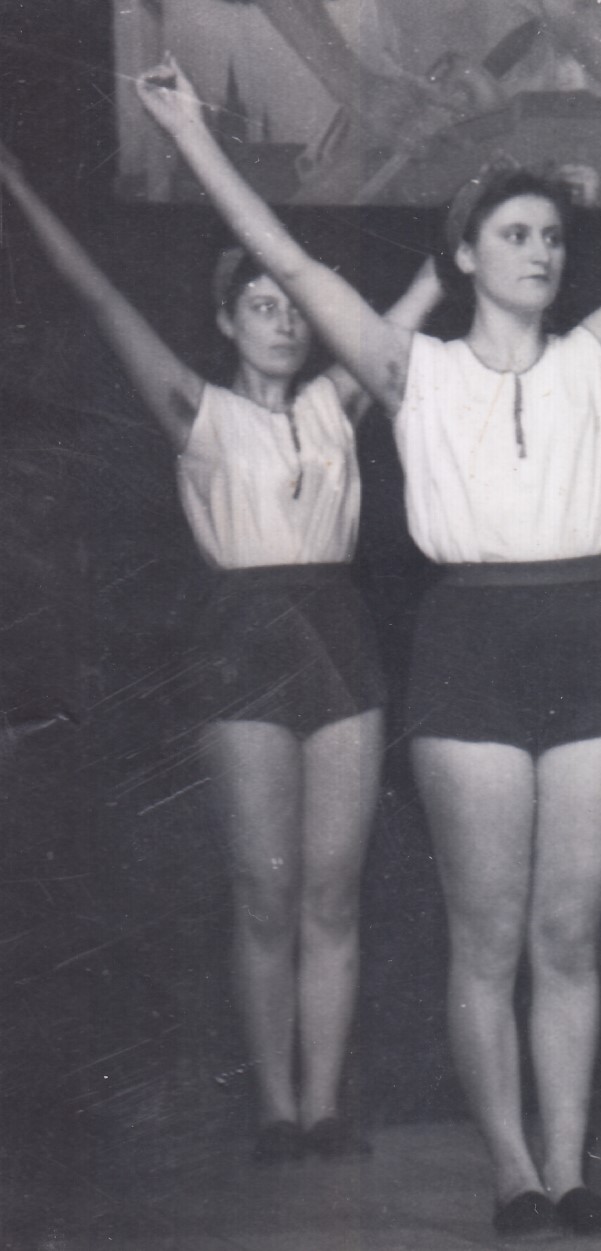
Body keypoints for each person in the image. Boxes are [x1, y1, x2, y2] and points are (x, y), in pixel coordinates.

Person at [135, 21, 601, 1235]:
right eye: (515, 235)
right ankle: (512, 1175)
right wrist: (186, 131)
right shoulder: (414, 370)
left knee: (569, 929)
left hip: (593, 636)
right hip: (471, 645)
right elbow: (285, 254)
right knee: (489, 933)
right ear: (466, 252)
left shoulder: (600, 357)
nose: (541, 251)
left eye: (552, 237)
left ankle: (569, 1167)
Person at [0, 139, 439, 1163]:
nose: (284, 322)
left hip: (339, 635)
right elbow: (102, 298)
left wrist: (452, 241)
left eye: (293, 309)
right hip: (243, 641)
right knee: (264, 892)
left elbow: (422, 298)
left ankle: (323, 1108)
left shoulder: (336, 403)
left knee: (331, 892)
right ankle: (277, 1108)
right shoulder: (199, 413)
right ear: (225, 319)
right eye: (261, 307)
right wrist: (17, 185)